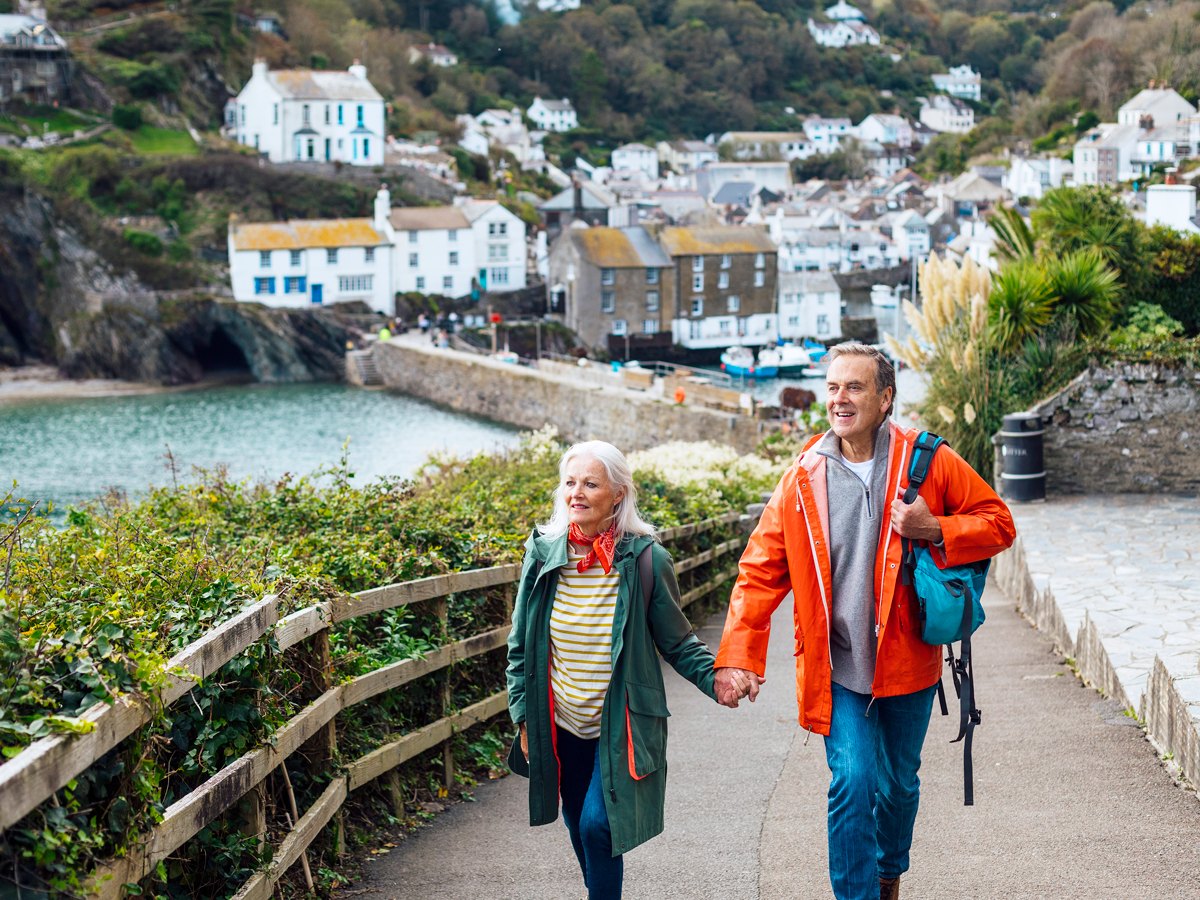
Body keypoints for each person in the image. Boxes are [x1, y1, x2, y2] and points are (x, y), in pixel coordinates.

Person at [714, 342, 1015, 900]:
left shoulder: (927, 461)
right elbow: (759, 571)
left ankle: (888, 872)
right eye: (832, 387)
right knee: (852, 781)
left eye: (854, 387)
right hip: (838, 667)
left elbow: (999, 523)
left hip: (908, 660)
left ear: (885, 398)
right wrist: (737, 657)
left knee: (898, 787)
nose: (840, 399)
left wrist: (935, 528)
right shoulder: (804, 475)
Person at [507, 441, 742, 900]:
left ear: (618, 494)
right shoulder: (542, 554)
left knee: (598, 826)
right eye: (570, 482)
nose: (576, 493)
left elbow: (677, 641)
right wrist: (524, 720)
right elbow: (519, 647)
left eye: (590, 484)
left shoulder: (647, 561)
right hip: (561, 723)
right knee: (577, 821)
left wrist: (716, 678)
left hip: (619, 726)